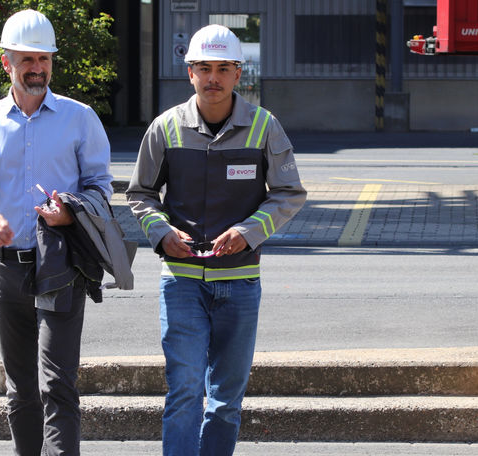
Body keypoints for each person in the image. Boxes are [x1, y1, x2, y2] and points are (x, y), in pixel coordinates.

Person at [126, 24, 307, 456]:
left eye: (223, 68)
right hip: (182, 281)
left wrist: (248, 232)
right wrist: (161, 232)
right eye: (204, 68)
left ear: (238, 74)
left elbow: (289, 193)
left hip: (241, 283)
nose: (213, 78)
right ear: (189, 72)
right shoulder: (165, 128)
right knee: (185, 389)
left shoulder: (265, 127)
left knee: (226, 400)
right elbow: (140, 196)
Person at [0, 9, 112, 455]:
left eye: (43, 59)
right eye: (27, 60)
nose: (37, 68)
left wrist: (70, 212)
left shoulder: (80, 119)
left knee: (58, 384)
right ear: (7, 63)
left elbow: (101, 189)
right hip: (5, 271)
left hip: (61, 265)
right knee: (20, 390)